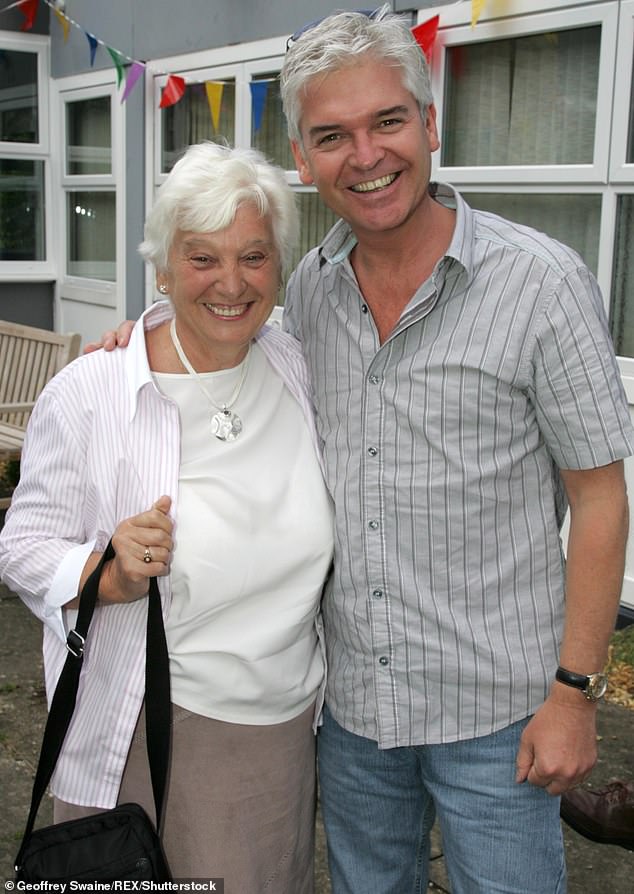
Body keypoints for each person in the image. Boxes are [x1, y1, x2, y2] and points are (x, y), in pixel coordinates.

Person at [91, 7, 634, 893]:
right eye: (331, 135)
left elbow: (601, 498)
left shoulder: (541, 284)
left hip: (498, 718)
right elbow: (221, 320)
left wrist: (575, 695)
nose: (367, 154)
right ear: (302, 160)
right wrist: (137, 338)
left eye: (387, 121)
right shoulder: (305, 292)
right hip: (351, 714)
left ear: (429, 124)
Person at [0, 142, 334, 891]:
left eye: (253, 256)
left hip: (284, 731)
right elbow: (19, 545)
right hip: (147, 730)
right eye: (202, 257)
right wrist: (106, 575)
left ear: (278, 266)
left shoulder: (299, 370)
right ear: (161, 267)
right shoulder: (96, 393)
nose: (230, 282)